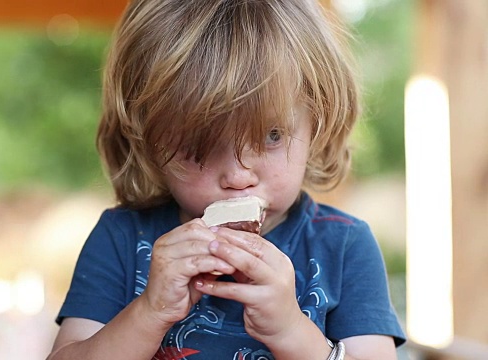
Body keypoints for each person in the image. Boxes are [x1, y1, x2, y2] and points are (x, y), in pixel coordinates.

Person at [48, 0, 406, 359]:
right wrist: (148, 312)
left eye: (272, 135)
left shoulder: (344, 246)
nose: (238, 177)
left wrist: (292, 331)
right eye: (198, 145)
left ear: (319, 120)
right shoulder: (122, 238)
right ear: (147, 142)